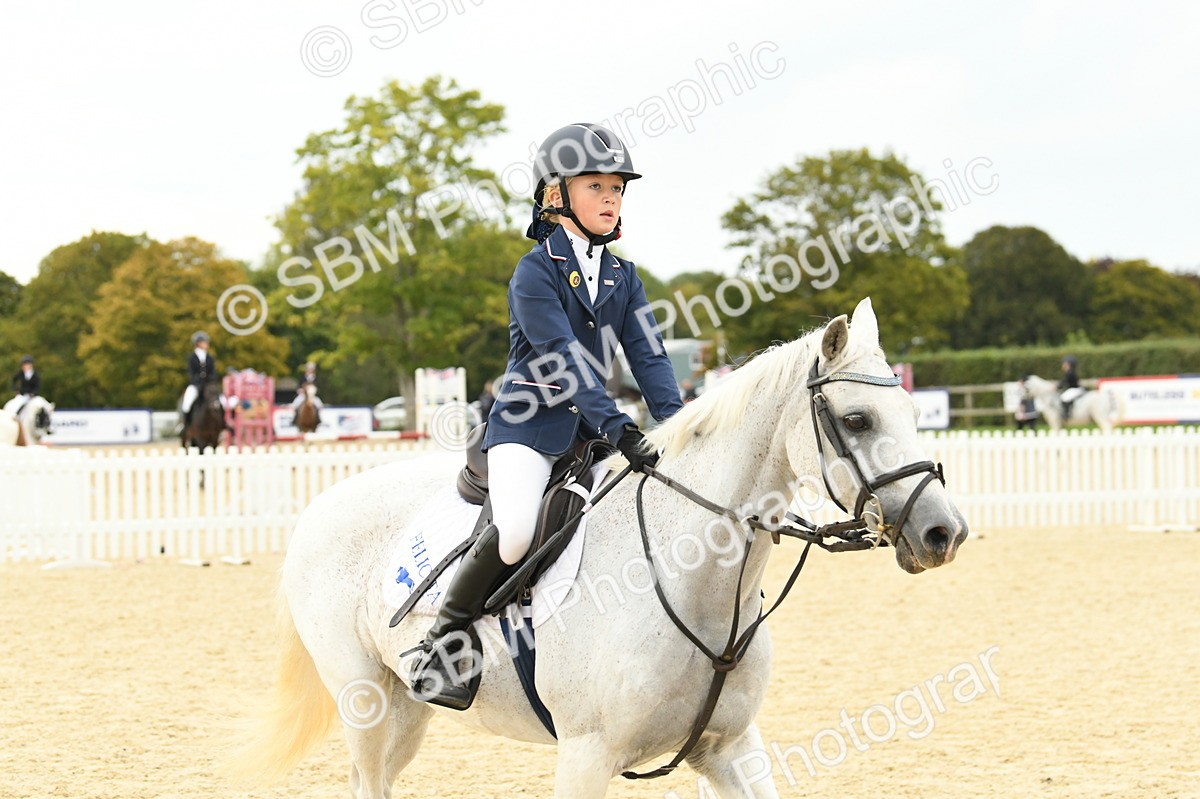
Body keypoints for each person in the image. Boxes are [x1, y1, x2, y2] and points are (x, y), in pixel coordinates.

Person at [411, 122, 685, 709]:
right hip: (528, 426)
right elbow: (562, 358)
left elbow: (650, 358)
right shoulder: (534, 270)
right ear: (557, 194)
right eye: (596, 186)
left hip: (588, 435)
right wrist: (620, 427)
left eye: (617, 188)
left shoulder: (624, 277)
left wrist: (681, 425)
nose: (611, 199)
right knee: (515, 533)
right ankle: (445, 639)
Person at [180, 331, 217, 430]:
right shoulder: (192, 358)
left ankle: (222, 425)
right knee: (187, 403)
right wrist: (198, 381)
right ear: (198, 343)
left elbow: (212, 372)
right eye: (204, 342)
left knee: (220, 402)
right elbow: (191, 372)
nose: (206, 343)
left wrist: (210, 380)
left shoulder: (209, 358)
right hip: (196, 385)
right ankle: (185, 425)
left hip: (208, 385)